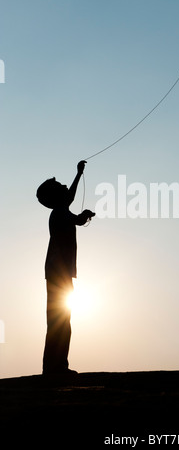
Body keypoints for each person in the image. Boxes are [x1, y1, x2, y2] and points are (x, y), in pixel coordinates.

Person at [36, 160, 95, 375]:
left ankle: (55, 366)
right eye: (60, 186)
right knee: (60, 321)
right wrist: (84, 215)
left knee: (60, 320)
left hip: (58, 273)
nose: (64, 187)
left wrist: (78, 174)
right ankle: (56, 367)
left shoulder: (59, 210)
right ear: (54, 197)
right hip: (59, 273)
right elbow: (77, 220)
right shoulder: (60, 213)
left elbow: (70, 199)